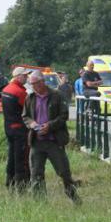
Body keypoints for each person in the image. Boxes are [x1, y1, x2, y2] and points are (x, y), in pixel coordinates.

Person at [23, 71, 80, 204]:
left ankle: (73, 197)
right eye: (31, 84)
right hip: (37, 141)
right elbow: (25, 116)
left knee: (64, 172)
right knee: (36, 174)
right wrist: (32, 124)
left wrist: (50, 126)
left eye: (35, 84)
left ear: (42, 82)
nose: (33, 87)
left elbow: (64, 115)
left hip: (54, 141)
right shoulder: (30, 97)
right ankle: (40, 204)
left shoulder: (56, 95)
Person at [2, 67, 31, 191]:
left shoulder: (6, 89)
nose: (27, 78)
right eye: (25, 76)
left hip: (8, 127)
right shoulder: (20, 92)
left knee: (12, 155)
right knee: (22, 157)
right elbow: (29, 110)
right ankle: (22, 184)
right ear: (18, 76)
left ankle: (10, 181)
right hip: (19, 129)